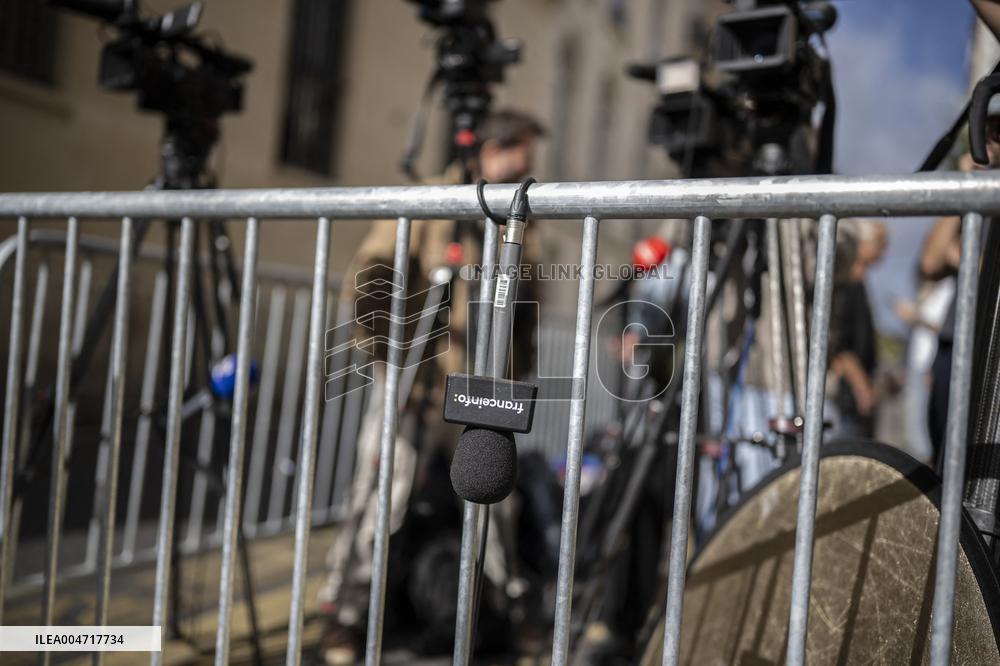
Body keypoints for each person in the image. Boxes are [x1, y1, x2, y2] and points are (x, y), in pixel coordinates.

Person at [318, 109, 545, 664]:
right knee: (379, 499)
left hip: (480, 391)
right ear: (487, 150)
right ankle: (344, 614)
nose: (527, 167)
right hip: (416, 387)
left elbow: (526, 309)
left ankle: (508, 606)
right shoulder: (431, 202)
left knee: (499, 503)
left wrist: (515, 378)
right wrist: (392, 360)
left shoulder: (520, 213)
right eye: (517, 154)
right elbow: (371, 273)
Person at [828, 219, 888, 439]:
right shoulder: (845, 285)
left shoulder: (855, 284)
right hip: (844, 398)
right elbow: (840, 342)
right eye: (880, 243)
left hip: (852, 398)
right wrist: (861, 386)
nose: (884, 252)